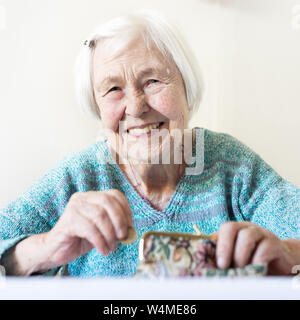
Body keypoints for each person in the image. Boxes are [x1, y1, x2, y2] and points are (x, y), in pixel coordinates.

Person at [0, 11, 299, 277]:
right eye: (113, 89)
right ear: (97, 107)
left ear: (187, 87)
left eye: (153, 81)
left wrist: (286, 255)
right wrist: (47, 247)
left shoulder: (232, 166)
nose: (135, 107)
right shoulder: (79, 178)